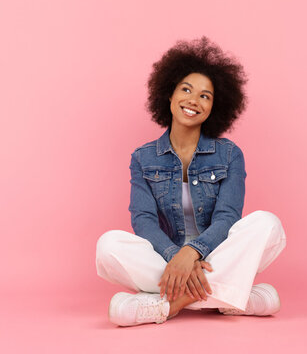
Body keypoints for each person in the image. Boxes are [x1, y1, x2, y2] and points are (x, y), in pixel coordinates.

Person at [95, 36, 287, 327]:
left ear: (214, 107)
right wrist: (177, 256)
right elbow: (144, 221)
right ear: (169, 95)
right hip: (165, 261)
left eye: (205, 96)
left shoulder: (229, 154)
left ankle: (169, 304)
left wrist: (194, 252)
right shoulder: (142, 158)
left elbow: (227, 217)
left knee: (268, 224)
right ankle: (235, 296)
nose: (193, 100)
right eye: (186, 89)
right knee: (108, 245)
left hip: (217, 253)